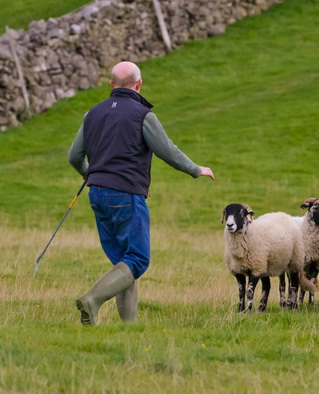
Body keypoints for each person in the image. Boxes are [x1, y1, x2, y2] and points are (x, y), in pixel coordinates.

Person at [68, 61, 214, 325]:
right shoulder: (143, 115)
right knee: (137, 259)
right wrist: (196, 169)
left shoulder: (92, 114)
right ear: (138, 85)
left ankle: (129, 328)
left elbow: (74, 156)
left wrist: (87, 172)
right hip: (126, 196)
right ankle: (92, 300)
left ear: (112, 85)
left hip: (96, 195)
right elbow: (166, 150)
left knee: (124, 262)